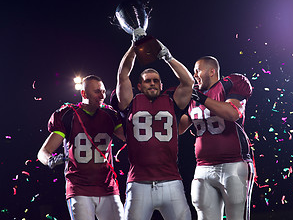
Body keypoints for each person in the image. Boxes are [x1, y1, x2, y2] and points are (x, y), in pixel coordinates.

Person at [112, 40, 194, 220]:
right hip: (139, 184)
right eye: (147, 81)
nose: (152, 83)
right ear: (139, 86)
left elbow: (188, 82)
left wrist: (168, 58)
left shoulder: (172, 101)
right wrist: (134, 47)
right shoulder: (131, 102)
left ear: (161, 85)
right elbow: (123, 76)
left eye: (156, 81)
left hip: (171, 181)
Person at [37, 75, 125, 220]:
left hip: (108, 187)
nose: (102, 95)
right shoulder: (68, 115)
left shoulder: (110, 115)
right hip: (79, 187)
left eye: (103, 91)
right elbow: (43, 152)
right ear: (83, 93)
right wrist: (50, 160)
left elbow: (131, 138)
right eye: (97, 91)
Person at [179, 56, 255, 220]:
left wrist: (203, 99)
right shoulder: (195, 96)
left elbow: (232, 113)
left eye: (198, 70)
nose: (195, 75)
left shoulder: (230, 84)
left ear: (212, 71)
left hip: (233, 164)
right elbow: (178, 129)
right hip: (203, 167)